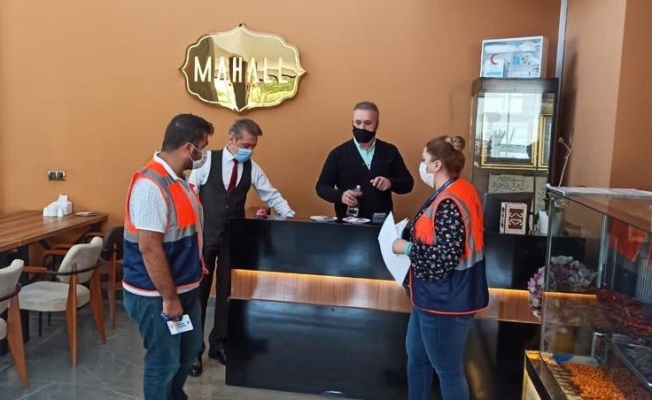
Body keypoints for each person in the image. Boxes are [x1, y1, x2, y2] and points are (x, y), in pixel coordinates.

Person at [187, 118, 295, 376]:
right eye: (246, 145)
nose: (249, 150)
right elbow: (190, 192)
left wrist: (289, 215)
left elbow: (270, 194)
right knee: (199, 293)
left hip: (233, 238)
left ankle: (219, 344)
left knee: (227, 292)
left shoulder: (252, 168)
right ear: (232, 139)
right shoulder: (206, 161)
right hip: (205, 236)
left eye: (253, 146)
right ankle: (193, 351)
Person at [123, 113, 213, 400]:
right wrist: (170, 298)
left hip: (185, 287)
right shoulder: (151, 186)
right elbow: (149, 248)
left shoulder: (179, 181)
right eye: (202, 147)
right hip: (156, 295)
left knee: (187, 352)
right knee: (163, 363)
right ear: (188, 148)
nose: (204, 154)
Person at [391, 136, 489, 400]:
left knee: (448, 370)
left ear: (436, 165)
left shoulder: (449, 201)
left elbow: (442, 259)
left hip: (446, 300)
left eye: (424, 160)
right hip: (429, 296)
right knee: (417, 357)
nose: (421, 166)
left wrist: (405, 248)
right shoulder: (459, 189)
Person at [315, 101, 414, 219]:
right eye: (358, 122)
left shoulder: (390, 151)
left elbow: (408, 183)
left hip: (381, 223)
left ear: (377, 124)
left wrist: (390, 183)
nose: (362, 127)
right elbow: (322, 187)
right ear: (352, 123)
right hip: (348, 223)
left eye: (368, 123)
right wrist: (341, 196)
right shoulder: (338, 154)